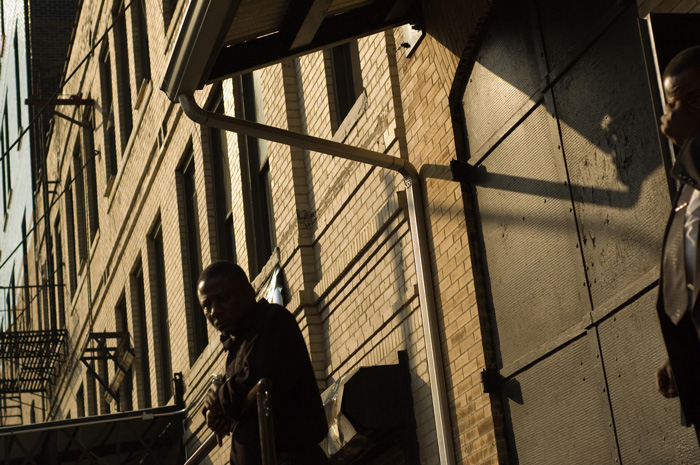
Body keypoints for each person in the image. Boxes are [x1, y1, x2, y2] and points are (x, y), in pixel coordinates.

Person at [198, 261, 329, 464]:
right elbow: (235, 392)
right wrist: (213, 409)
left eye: (222, 298)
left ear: (249, 292)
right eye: (207, 305)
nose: (214, 311)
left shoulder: (273, 322)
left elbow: (252, 378)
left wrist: (219, 397)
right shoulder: (240, 344)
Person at [655, 45, 700, 439]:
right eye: (676, 104)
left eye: (697, 101)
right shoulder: (689, 188)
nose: (684, 114)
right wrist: (682, 354)